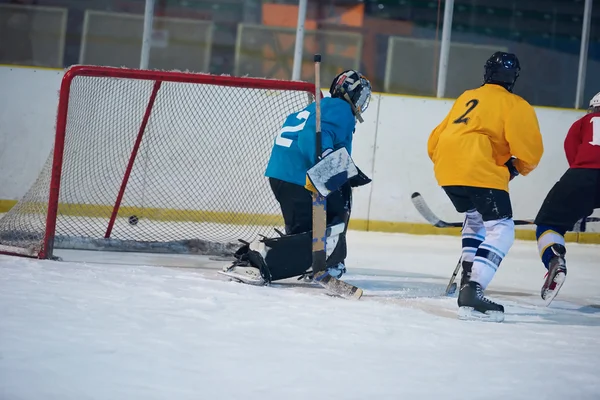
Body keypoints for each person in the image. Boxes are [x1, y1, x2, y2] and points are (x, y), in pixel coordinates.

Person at [220, 70, 373, 288]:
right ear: (349, 94)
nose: (361, 102)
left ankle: (320, 260)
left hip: (283, 174)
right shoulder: (340, 109)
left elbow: (318, 136)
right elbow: (313, 134)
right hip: (300, 175)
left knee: (305, 232)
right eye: (361, 96)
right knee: (337, 209)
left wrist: (342, 167)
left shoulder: (319, 107)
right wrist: (327, 160)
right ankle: (257, 261)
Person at [427, 52, 544, 322]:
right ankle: (473, 290)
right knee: (501, 230)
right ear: (513, 77)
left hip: (446, 169)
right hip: (478, 169)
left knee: (475, 218)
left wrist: (448, 165)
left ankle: (469, 275)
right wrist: (515, 168)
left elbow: (435, 139)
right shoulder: (514, 104)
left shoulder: (466, 96)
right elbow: (530, 151)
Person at [534, 92, 600, 306]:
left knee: (548, 224)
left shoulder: (582, 123)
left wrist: (581, 205)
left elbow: (573, 155)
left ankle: (555, 260)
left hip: (581, 177)